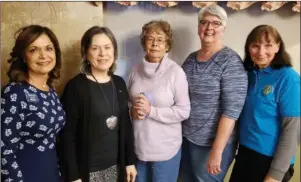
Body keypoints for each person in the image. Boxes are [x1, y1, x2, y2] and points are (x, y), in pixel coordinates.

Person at [179, 4, 248, 182]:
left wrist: (217, 151)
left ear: (223, 29)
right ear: (198, 27)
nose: (209, 28)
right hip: (187, 139)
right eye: (204, 22)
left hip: (213, 145)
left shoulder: (230, 61)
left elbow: (231, 112)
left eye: (216, 23)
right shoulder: (190, 60)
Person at [60, 26, 137, 182]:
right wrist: (73, 176)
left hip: (117, 167)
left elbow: (126, 125)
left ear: (114, 52)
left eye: (107, 47)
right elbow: (67, 135)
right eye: (95, 48)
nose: (103, 54)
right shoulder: (76, 87)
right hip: (88, 171)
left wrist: (129, 161)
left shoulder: (119, 83)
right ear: (86, 54)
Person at [229, 25, 300, 182]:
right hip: (245, 153)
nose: (261, 52)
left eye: (268, 45)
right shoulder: (248, 74)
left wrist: (275, 174)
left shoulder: (288, 78)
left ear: (278, 46)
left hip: (270, 160)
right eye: (255, 45)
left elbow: (292, 130)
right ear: (248, 48)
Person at [127, 20, 191, 182]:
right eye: (150, 39)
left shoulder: (176, 72)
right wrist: (131, 111)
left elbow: (184, 111)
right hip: (139, 149)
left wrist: (151, 111)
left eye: (160, 40)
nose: (155, 44)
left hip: (166, 152)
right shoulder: (134, 70)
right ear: (144, 43)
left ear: (167, 45)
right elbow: (127, 102)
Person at [1, 25, 66, 182]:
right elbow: (4, 151)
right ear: (24, 56)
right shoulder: (15, 92)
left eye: (49, 49)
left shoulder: (50, 91)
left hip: (52, 174)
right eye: (34, 50)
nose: (43, 55)